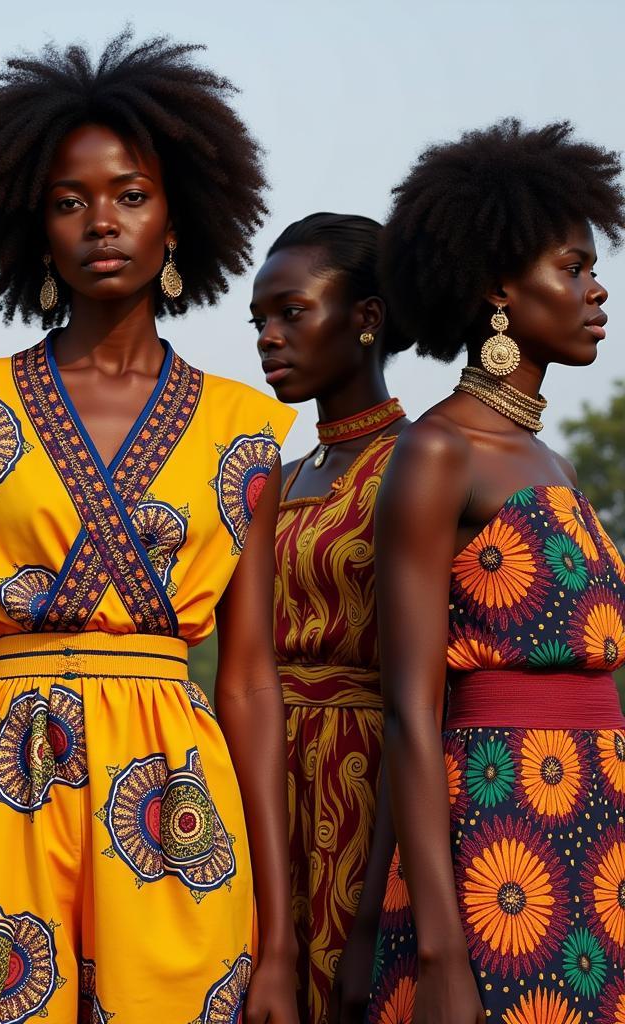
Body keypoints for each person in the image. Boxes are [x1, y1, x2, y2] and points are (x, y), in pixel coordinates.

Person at [0, 33, 301, 1024]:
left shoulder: (247, 427)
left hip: (173, 796)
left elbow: (246, 681)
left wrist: (279, 945)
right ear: (33, 229)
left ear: (178, 220)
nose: (100, 221)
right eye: (69, 201)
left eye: (130, 194)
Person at [368, 119, 625, 1024]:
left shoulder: (548, 461)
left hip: (594, 832)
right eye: (573, 267)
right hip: (497, 841)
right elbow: (407, 708)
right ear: (498, 290)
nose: (597, 292)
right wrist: (440, 954)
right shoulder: (438, 452)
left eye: (594, 268)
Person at [250, 213, 411, 1024]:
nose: (270, 337)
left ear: (367, 319)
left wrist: (378, 909)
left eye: (292, 312)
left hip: (368, 784)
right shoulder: (270, 479)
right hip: (256, 783)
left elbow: (420, 698)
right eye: (260, 322)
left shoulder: (420, 468)